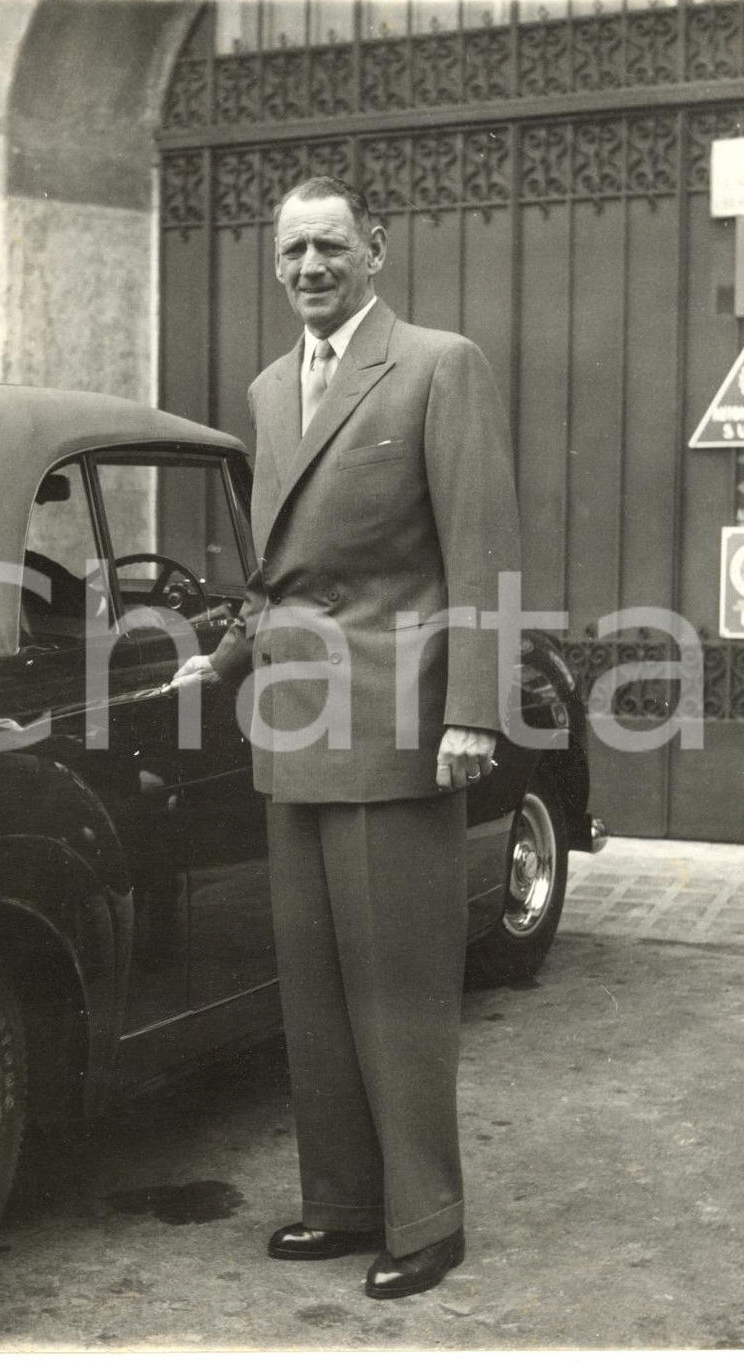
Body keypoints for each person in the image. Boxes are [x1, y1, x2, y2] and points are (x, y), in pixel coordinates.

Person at [173, 176, 521, 1300]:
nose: (311, 267)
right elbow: (283, 577)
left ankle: (428, 1215)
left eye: (330, 245)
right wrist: (221, 658)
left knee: (399, 988)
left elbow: (483, 556)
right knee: (315, 987)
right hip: (295, 725)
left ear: (375, 246)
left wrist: (474, 707)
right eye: (292, 253)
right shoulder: (272, 389)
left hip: (401, 727)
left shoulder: (437, 364)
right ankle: (339, 1201)